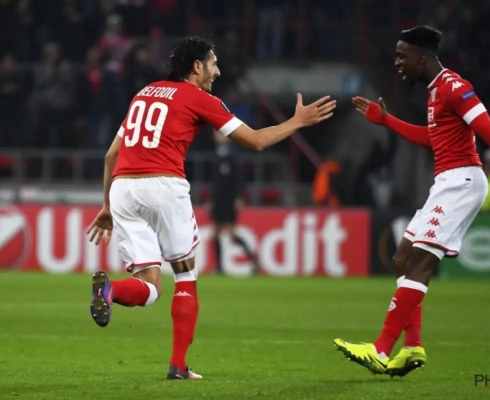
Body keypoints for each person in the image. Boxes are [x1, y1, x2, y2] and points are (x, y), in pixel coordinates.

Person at [85, 36, 336, 380]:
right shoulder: (199, 98)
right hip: (163, 185)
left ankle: (110, 289)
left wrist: (106, 205)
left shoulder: (144, 93)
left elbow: (111, 154)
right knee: (185, 275)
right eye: (213, 64)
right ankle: (178, 366)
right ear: (197, 66)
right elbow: (256, 141)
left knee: (150, 287)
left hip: (123, 189)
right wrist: (297, 122)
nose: (217, 72)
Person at [334, 25, 490, 377]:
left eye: (402, 56)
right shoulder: (435, 92)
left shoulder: (454, 87)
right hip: (447, 180)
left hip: (462, 181)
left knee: (420, 261)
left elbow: (488, 129)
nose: (397, 63)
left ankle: (381, 349)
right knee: (402, 258)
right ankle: (412, 347)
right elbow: (433, 139)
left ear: (422, 58)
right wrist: (387, 121)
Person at [210, 128, 259, 274]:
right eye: (216, 133)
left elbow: (239, 178)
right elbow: (215, 182)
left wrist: (239, 196)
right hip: (218, 199)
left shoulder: (234, 155)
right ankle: (219, 268)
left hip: (229, 198)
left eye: (220, 133)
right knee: (215, 233)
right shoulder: (216, 155)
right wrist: (211, 199)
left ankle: (253, 259)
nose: (217, 136)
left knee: (231, 233)